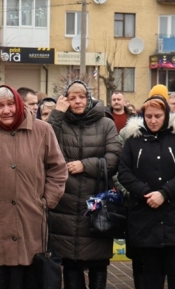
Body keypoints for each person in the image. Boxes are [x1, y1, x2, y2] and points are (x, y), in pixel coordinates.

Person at [0, 85, 68, 288]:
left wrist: (46, 202)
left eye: (11, 104)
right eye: (0, 105)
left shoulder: (42, 130)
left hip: (32, 220)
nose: (6, 110)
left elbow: (57, 169)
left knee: (31, 276)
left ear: (19, 104)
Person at [47, 81, 121, 289]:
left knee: (98, 262)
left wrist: (85, 165)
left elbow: (114, 158)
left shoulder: (106, 123)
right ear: (65, 100)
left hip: (96, 203)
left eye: (81, 96)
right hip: (66, 203)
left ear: (89, 98)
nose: (77, 101)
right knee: (70, 262)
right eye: (72, 97)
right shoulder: (60, 123)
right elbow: (43, 147)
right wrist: (56, 115)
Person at [118, 95, 175, 289]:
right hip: (144, 214)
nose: (153, 121)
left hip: (174, 213)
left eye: (158, 116)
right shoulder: (133, 141)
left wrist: (164, 193)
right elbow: (124, 173)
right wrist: (145, 193)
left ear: (166, 116)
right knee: (150, 270)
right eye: (149, 116)